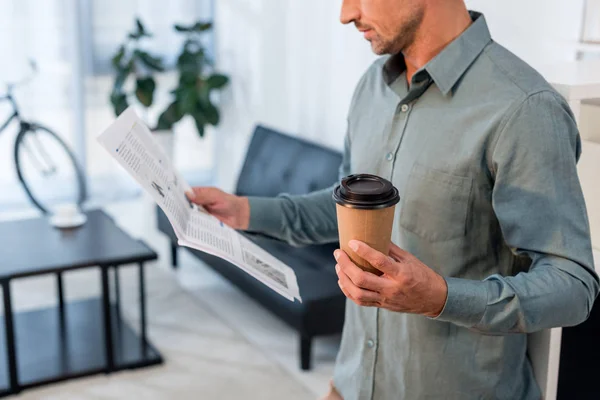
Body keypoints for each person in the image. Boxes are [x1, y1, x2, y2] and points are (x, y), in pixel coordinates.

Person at [187, 0, 600, 399]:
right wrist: (243, 210)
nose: (346, 13)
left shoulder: (523, 109)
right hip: (353, 384)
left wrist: (441, 297)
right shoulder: (372, 87)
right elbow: (345, 215)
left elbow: (573, 285)